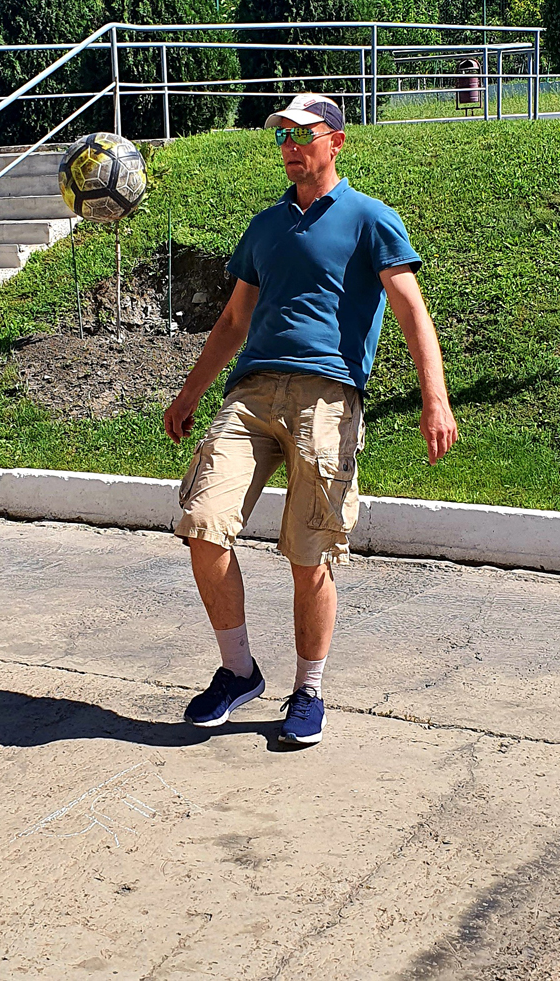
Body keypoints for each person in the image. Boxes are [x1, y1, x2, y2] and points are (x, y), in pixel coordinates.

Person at [164, 93, 458, 747]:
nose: (291, 147)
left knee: (309, 552)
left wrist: (434, 398)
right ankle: (239, 672)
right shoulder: (266, 226)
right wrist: (189, 393)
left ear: (337, 142)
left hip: (326, 396)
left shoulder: (369, 219)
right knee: (203, 522)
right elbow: (233, 320)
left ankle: (308, 690)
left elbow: (410, 310)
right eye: (283, 137)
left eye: (304, 135)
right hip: (251, 394)